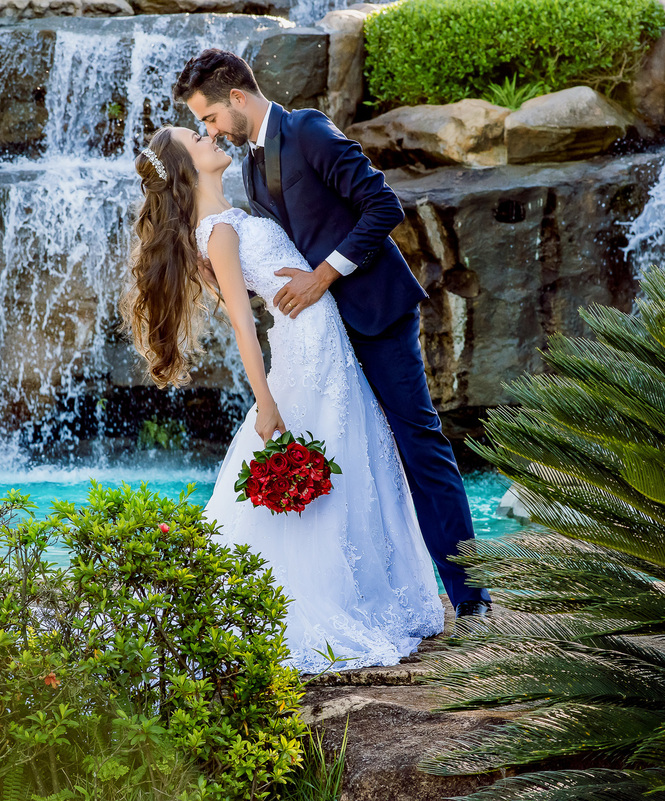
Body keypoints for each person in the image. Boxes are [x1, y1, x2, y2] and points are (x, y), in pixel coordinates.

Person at [173, 49, 491, 617]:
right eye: (203, 126)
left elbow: (382, 205)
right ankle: (365, 595)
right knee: (357, 455)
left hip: (373, 314)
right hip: (318, 341)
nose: (211, 130)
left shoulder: (309, 130)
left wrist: (324, 275)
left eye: (212, 118)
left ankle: (471, 599)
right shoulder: (247, 165)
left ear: (238, 99)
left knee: (418, 446)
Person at [123, 126, 444, 671]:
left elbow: (248, 295)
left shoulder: (227, 217)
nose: (208, 138)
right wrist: (265, 401)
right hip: (305, 349)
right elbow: (245, 329)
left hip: (322, 337)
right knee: (327, 459)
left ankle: (366, 590)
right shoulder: (218, 231)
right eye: (196, 140)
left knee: (354, 458)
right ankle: (323, 599)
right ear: (186, 168)